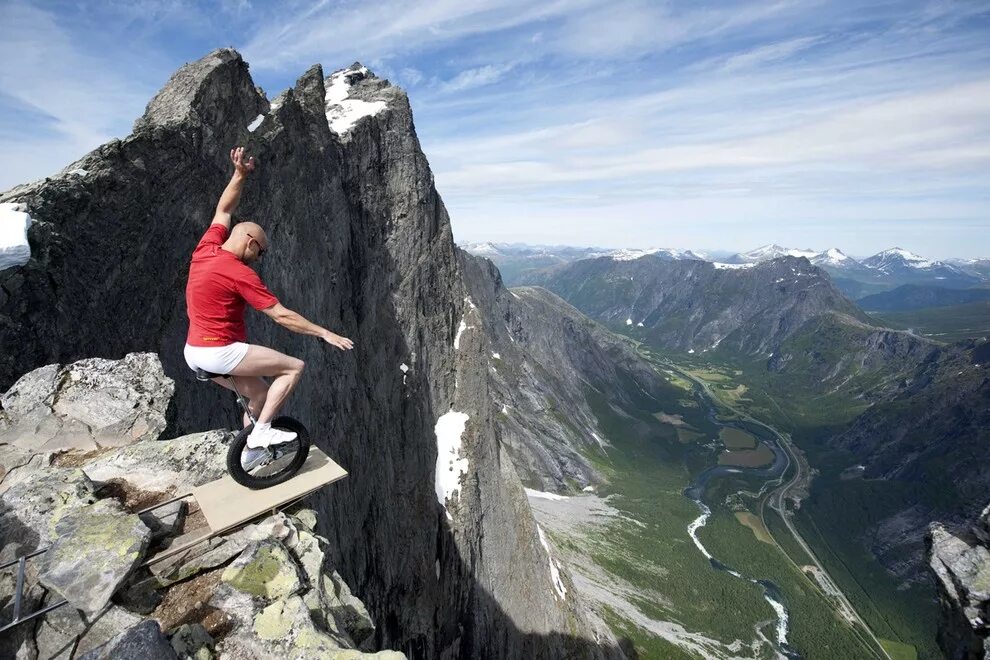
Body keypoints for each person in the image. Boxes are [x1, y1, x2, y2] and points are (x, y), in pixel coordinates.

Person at [184, 146, 354, 458]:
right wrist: (324, 333)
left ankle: (248, 453)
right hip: (219, 351)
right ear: (250, 243)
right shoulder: (239, 274)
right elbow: (281, 315)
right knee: (292, 368)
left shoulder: (205, 248)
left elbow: (223, 210)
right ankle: (261, 434)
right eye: (260, 252)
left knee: (260, 395)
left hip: (193, 351)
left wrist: (239, 175)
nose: (259, 259)